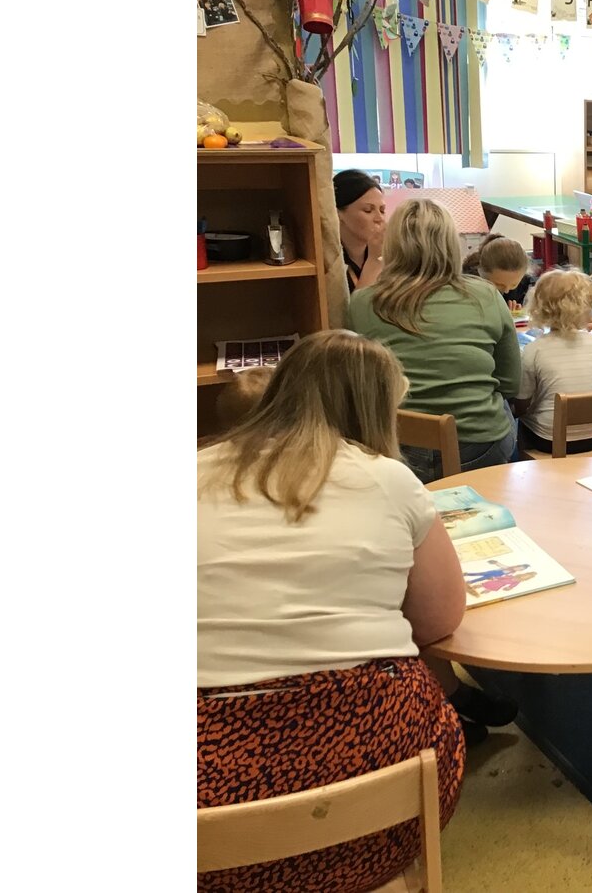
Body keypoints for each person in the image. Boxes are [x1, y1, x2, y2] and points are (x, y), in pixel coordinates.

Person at [198, 330, 466, 893]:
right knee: (433, 700)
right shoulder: (388, 479)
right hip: (384, 792)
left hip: (210, 826)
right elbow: (440, 620)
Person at [347, 199, 522, 483]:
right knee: (504, 408)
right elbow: (511, 383)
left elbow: (357, 383)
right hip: (479, 446)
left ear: (392, 245)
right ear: (452, 244)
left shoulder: (362, 302)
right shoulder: (487, 295)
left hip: (397, 447)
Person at [513, 270, 592, 455]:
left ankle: (524, 462)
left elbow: (522, 404)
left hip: (548, 440)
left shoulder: (534, 349)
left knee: (520, 418)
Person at [335, 169, 386, 292]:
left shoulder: (389, 256)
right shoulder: (330, 264)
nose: (379, 218)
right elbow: (358, 304)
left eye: (382, 210)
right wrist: (374, 261)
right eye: (368, 210)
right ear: (338, 213)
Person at [463, 234, 533, 308]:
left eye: (514, 285)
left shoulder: (526, 284)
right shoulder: (468, 288)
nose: (506, 290)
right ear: (482, 273)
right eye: (499, 284)